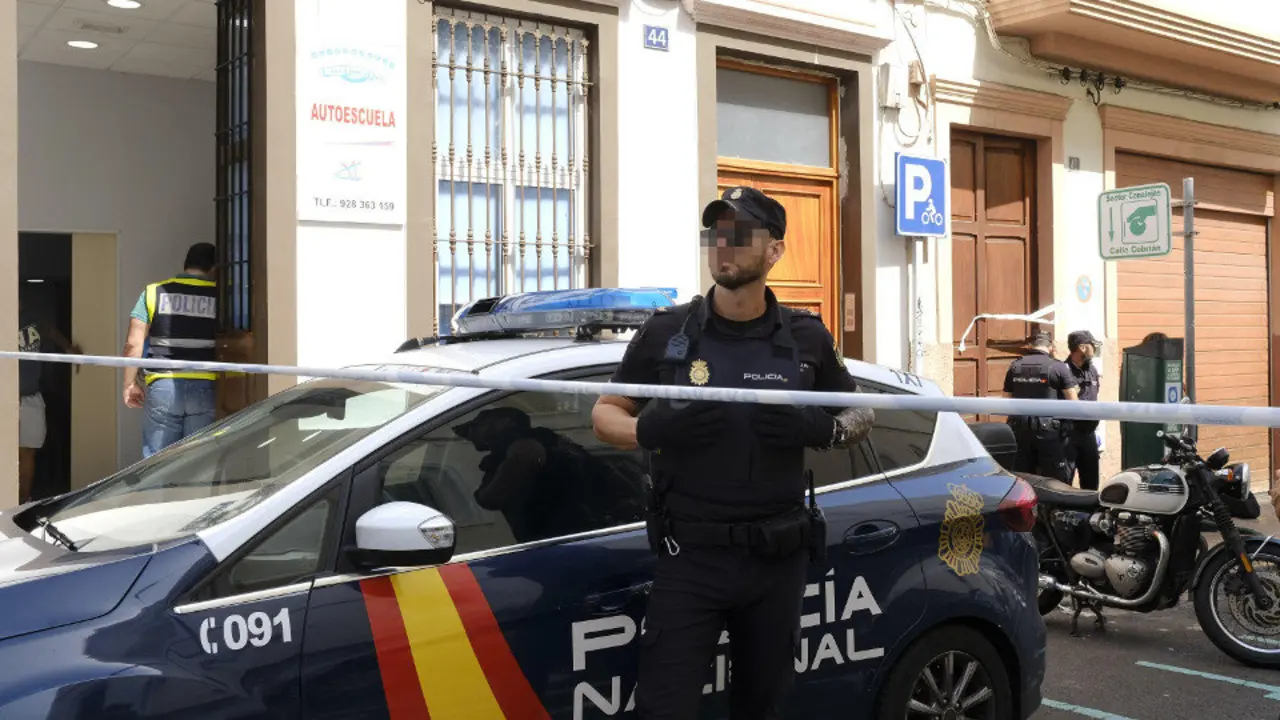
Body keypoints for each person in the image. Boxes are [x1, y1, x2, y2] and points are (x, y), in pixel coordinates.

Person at [591, 186, 873, 720]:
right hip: (691, 559)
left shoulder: (807, 337)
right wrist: (651, 430)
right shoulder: (667, 332)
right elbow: (604, 413)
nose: (723, 245)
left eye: (739, 234)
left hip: (776, 561)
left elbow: (860, 415)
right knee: (664, 709)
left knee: (761, 707)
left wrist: (820, 429)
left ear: (774, 251)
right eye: (716, 234)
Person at [452, 406, 645, 542]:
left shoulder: (526, 449)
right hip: (569, 539)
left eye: (478, 426)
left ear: (502, 426)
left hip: (567, 541)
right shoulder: (549, 442)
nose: (472, 434)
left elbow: (490, 499)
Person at [122, 243, 219, 458]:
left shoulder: (153, 292)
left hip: (163, 385)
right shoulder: (222, 297)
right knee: (198, 462)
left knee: (158, 463)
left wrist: (129, 384)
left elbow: (133, 344)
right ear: (214, 269)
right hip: (205, 386)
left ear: (185, 265)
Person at [17, 291, 81, 504]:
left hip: (30, 396)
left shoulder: (31, 320)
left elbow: (49, 331)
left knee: (28, 452)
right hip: (6, 400)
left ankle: (23, 501)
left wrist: (68, 348)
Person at [1003, 330, 1078, 482]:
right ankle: (1052, 506)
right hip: (1050, 433)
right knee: (1054, 481)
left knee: (1023, 478)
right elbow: (1074, 402)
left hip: (1020, 431)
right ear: (1050, 346)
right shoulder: (1057, 367)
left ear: (1031, 346)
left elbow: (1006, 401)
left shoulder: (1015, 366)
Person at [1064, 330, 1102, 490]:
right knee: (1064, 484)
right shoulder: (1063, 370)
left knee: (1091, 484)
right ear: (1082, 348)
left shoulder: (1092, 371)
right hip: (1068, 435)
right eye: (1092, 345)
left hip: (1089, 434)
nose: (1095, 348)